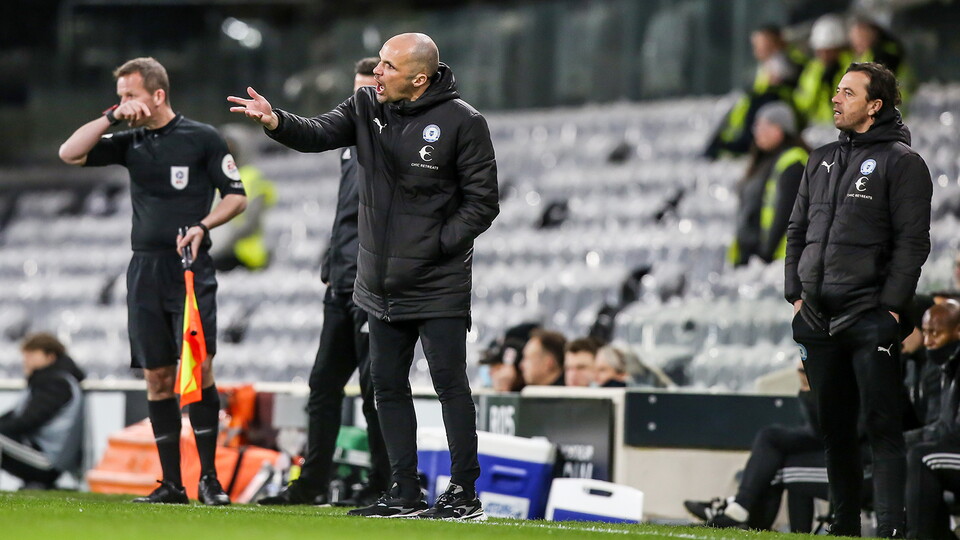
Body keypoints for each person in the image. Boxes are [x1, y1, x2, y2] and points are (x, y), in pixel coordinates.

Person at [229, 33, 498, 520]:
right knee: (385, 387)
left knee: (449, 385)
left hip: (438, 284)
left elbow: (483, 203)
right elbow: (316, 131)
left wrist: (434, 247)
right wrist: (276, 121)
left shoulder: (464, 122)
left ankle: (463, 493)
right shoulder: (364, 105)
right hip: (377, 284)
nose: (376, 73)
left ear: (418, 78)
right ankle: (403, 491)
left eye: (387, 67)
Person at [59, 57, 247, 505]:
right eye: (120, 95)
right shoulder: (129, 142)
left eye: (130, 95)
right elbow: (70, 153)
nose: (124, 103)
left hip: (189, 270)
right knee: (158, 377)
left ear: (157, 95)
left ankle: (210, 481)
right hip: (144, 270)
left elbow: (237, 198)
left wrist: (203, 225)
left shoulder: (201, 138)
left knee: (198, 371)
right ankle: (171, 484)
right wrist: (109, 117)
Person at [785, 62, 933, 537]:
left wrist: (890, 308)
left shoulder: (902, 163)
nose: (836, 99)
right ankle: (843, 525)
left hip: (869, 316)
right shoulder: (819, 158)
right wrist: (794, 294)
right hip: (816, 317)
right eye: (837, 91)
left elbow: (914, 242)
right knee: (835, 431)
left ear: (874, 106)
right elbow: (796, 231)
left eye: (847, 93)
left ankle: (889, 528)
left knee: (882, 427)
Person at [258, 57, 390, 508]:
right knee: (323, 386)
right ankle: (311, 483)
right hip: (340, 284)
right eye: (351, 93)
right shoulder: (350, 142)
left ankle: (385, 485)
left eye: (366, 91)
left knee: (378, 393)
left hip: (375, 290)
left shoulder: (395, 142)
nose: (356, 102)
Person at [704, 25, 805, 159]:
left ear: (771, 43)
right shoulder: (766, 66)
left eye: (758, 44)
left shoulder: (784, 63)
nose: (755, 50)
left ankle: (745, 142)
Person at [0, 333, 85, 489]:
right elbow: (16, 417)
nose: (25, 359)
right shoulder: (50, 380)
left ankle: (39, 482)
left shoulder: (56, 383)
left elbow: (28, 421)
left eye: (31, 354)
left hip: (48, 461)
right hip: (41, 454)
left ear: (50, 357)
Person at [728, 101, 809, 266]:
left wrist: (765, 254)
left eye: (762, 126)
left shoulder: (793, 161)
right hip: (757, 256)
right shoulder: (765, 160)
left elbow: (784, 213)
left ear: (779, 129)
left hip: (777, 260)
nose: (757, 132)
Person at [905, 302, 960, 539]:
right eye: (925, 332)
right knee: (911, 452)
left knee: (923, 457)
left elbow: (951, 429)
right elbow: (945, 426)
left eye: (935, 333)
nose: (928, 342)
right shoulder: (949, 365)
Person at [210, 126, 278, 272]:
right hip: (222, 251)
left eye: (231, 146)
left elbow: (250, 224)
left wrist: (221, 245)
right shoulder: (219, 177)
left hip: (246, 255)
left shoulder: (253, 177)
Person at [794, 14, 854, 125]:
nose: (824, 55)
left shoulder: (852, 67)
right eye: (820, 51)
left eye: (828, 51)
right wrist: (819, 79)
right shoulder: (813, 68)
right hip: (818, 125)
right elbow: (802, 102)